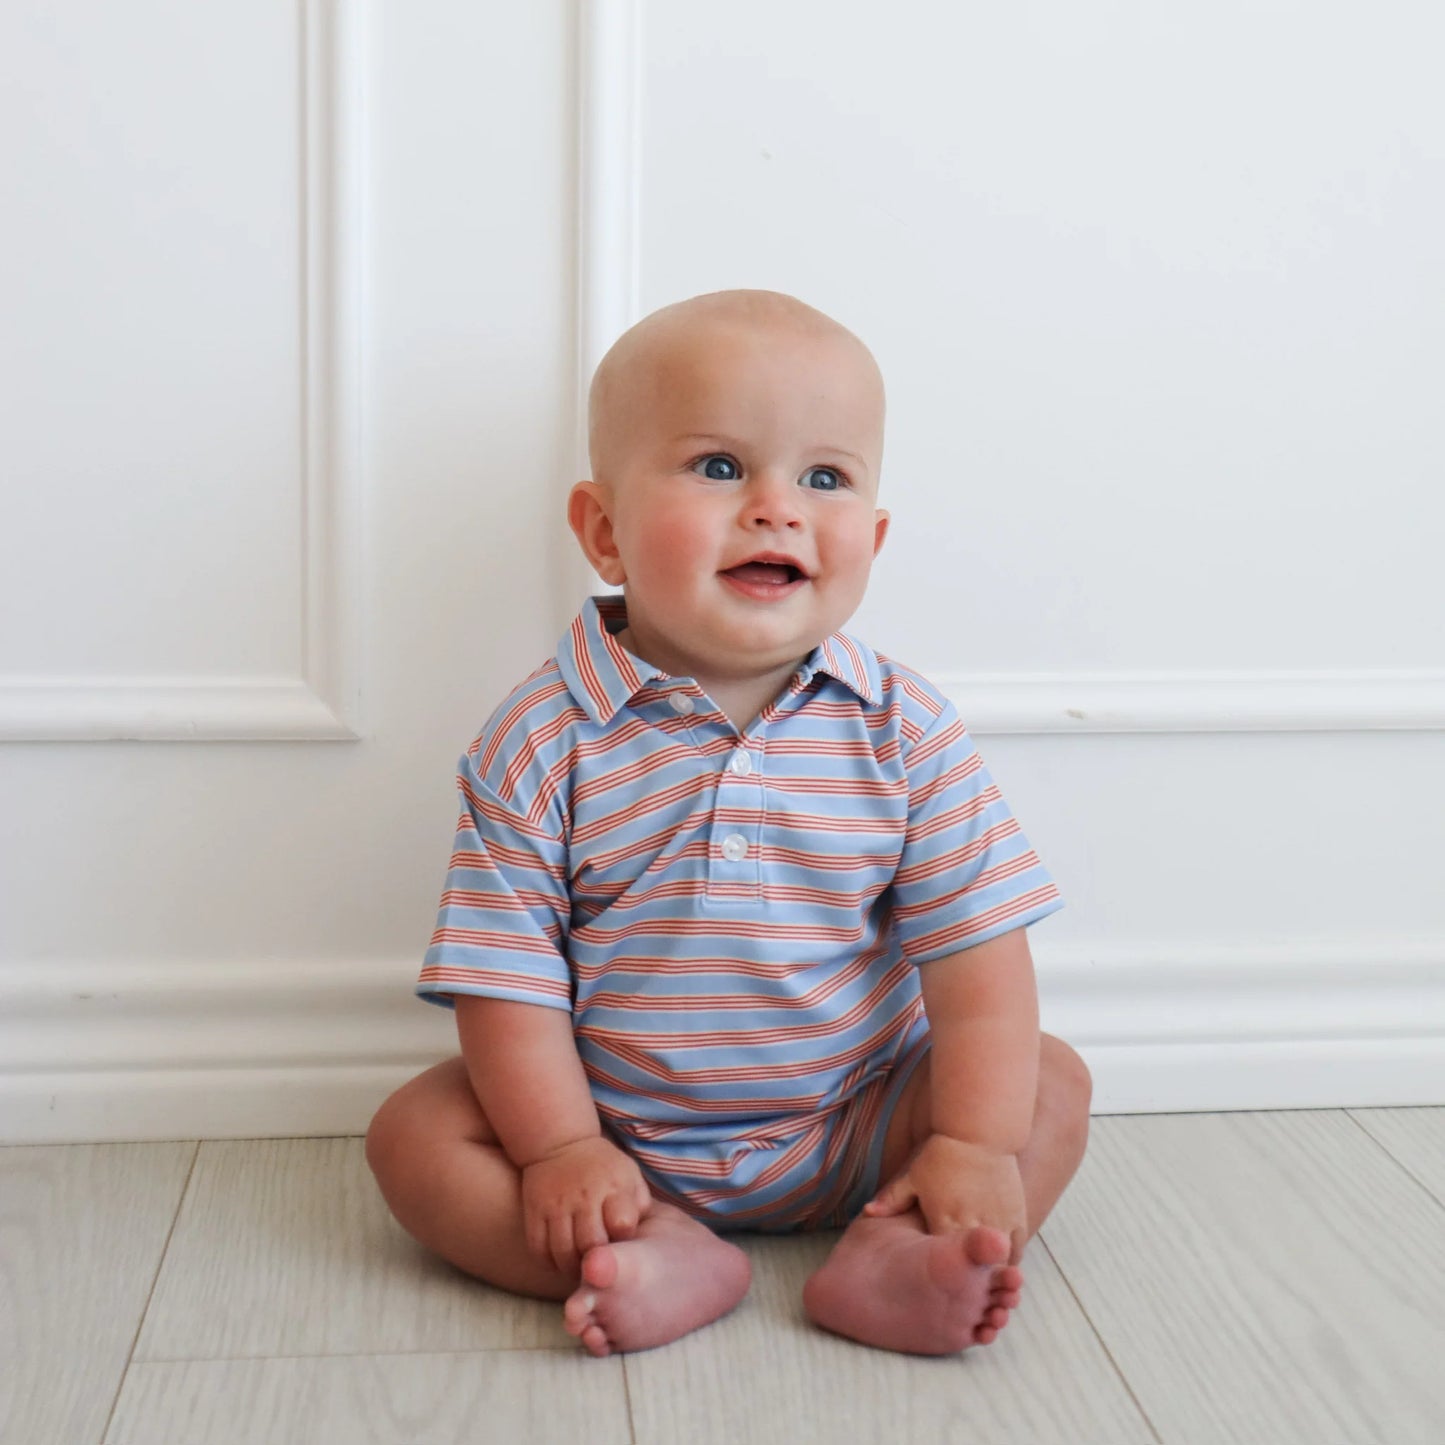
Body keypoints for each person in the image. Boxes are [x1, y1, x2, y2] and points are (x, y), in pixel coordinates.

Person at [366, 289, 1092, 1359]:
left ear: (872, 538)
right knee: (415, 1136)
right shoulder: (542, 737)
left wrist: (972, 1142)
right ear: (604, 530)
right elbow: (504, 976)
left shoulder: (904, 728)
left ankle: (896, 1250)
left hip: (856, 1118)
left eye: (824, 477)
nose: (776, 507)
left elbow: (975, 955)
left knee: (1050, 1082)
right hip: (615, 1129)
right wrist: (562, 1144)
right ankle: (643, 1249)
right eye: (718, 466)